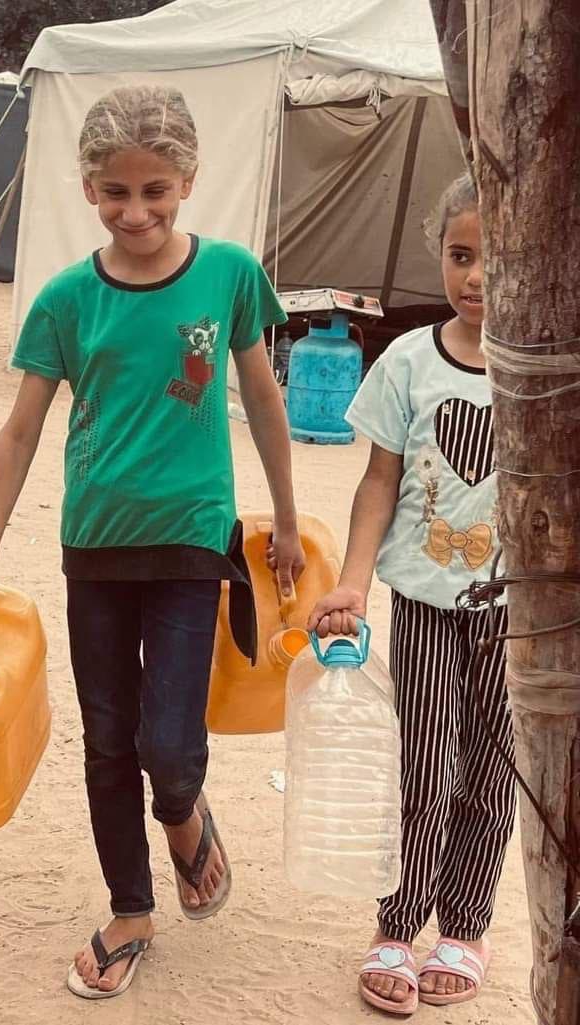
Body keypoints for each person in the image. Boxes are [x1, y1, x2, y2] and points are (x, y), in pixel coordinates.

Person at [0, 85, 305, 1000]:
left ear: (188, 180)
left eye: (154, 190)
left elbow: (263, 397)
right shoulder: (66, 300)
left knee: (167, 742)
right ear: (88, 188)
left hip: (192, 541)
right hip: (95, 549)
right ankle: (131, 907)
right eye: (114, 192)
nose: (135, 212)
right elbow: (20, 431)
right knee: (108, 737)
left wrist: (289, 518)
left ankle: (181, 811)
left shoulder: (228, 275)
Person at [309, 173, 515, 1015]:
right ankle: (397, 923)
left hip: (520, 617)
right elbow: (379, 481)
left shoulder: (549, 370)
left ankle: (464, 925)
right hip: (427, 603)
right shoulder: (408, 360)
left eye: (499, 259)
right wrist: (351, 581)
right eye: (461, 255)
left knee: (495, 770)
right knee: (425, 764)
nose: (477, 277)